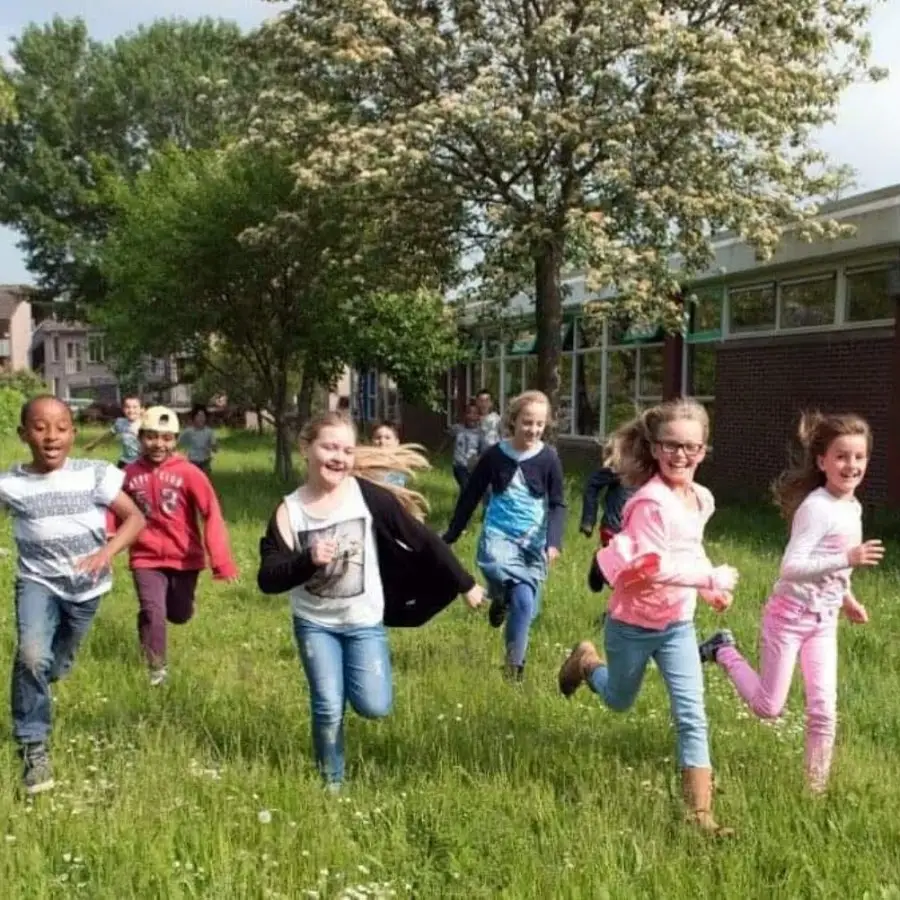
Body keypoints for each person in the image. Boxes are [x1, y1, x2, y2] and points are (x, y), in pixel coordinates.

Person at [256, 411, 484, 792]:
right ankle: (332, 782)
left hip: (363, 622)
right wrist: (306, 559)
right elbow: (268, 577)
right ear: (305, 448)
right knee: (328, 706)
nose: (338, 457)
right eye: (329, 447)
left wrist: (466, 584)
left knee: (375, 706)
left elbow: (423, 538)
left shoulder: (367, 497)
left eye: (346, 450)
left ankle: (342, 681)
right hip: (315, 624)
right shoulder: (288, 511)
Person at [557, 398, 738, 836]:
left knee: (692, 713)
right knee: (619, 700)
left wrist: (709, 588)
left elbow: (689, 549)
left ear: (703, 450)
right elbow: (657, 567)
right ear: (655, 449)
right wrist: (709, 576)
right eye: (671, 445)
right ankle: (586, 661)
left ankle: (699, 815)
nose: (681, 455)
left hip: (677, 625)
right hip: (632, 624)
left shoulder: (702, 498)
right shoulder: (648, 503)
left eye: (691, 447)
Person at [698, 412, 883, 794]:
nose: (851, 465)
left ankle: (813, 793)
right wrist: (847, 559)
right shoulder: (816, 508)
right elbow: (791, 567)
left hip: (824, 620)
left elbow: (833, 568)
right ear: (822, 461)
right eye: (842, 456)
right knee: (769, 708)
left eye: (859, 457)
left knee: (824, 709)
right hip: (789, 617)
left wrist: (847, 598)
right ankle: (723, 650)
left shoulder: (852, 507)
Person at [0, 396, 145, 794]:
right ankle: (33, 745)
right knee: (31, 655)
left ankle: (43, 678)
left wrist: (106, 553)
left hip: (86, 589)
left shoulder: (93, 474)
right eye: (40, 427)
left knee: (53, 666)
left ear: (73, 434)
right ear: (23, 434)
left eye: (61, 427)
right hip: (37, 581)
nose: (51, 436)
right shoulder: (10, 484)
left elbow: (135, 518)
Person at [443, 390, 565, 681]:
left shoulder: (548, 457)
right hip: (499, 536)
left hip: (532, 542)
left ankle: (513, 667)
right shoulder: (495, 455)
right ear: (513, 420)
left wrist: (553, 542)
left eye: (539, 424)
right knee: (500, 570)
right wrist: (453, 532)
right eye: (527, 422)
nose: (533, 430)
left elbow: (558, 503)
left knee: (525, 604)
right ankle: (499, 596)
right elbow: (471, 495)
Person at [121, 406, 238, 686]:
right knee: (154, 612)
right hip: (145, 557)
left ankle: (152, 621)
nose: (158, 444)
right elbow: (114, 510)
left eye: (166, 438)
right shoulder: (128, 474)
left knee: (179, 614)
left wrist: (221, 561)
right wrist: (107, 540)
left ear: (175, 440)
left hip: (185, 558)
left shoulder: (189, 473)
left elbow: (212, 512)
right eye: (151, 437)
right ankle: (157, 671)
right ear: (140, 438)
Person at [580, 462, 636, 593]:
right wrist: (588, 519)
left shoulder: (658, 473)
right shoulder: (622, 468)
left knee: (629, 582)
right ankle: (600, 564)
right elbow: (592, 483)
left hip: (639, 533)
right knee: (617, 579)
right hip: (613, 530)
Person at [85, 394, 142, 469]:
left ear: (141, 409)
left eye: (135, 407)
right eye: (127, 407)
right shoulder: (120, 423)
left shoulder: (145, 424)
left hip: (141, 462)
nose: (131, 410)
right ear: (123, 408)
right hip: (125, 461)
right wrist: (93, 444)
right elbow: (108, 435)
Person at [449, 402, 483, 493]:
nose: (471, 416)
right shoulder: (457, 429)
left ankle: (463, 506)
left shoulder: (480, 433)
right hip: (459, 466)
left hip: (472, 466)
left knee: (469, 490)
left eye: (475, 414)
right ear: (464, 415)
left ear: (479, 417)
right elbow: (447, 439)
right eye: (469, 413)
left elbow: (481, 450)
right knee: (465, 487)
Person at [177, 404, 219, 474]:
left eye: (203, 416)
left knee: (204, 480)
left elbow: (215, 449)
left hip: (205, 461)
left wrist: (214, 447)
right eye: (198, 416)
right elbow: (177, 443)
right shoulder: (188, 431)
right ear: (194, 418)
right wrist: (181, 454)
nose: (201, 418)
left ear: (206, 418)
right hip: (192, 461)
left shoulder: (209, 432)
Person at [370, 422, 408, 487]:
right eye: (378, 438)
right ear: (372, 441)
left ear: (396, 442)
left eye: (387, 438)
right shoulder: (364, 466)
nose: (382, 441)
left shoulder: (399, 467)